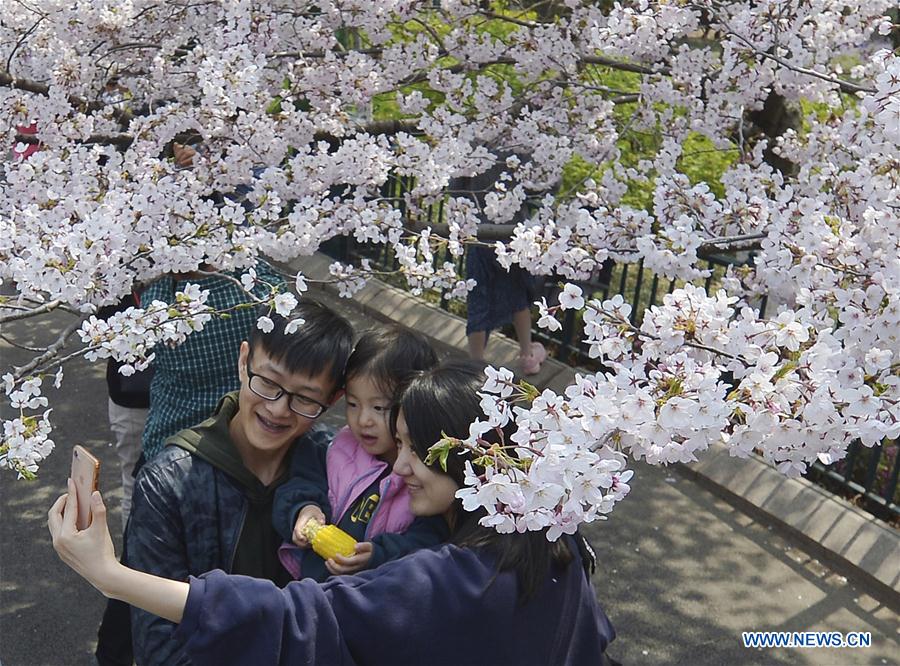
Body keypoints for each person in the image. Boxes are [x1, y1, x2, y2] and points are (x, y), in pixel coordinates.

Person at [49, 360, 618, 666]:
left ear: (472, 457)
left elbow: (286, 618)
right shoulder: (560, 550)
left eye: (417, 451)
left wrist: (112, 577)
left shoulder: (451, 579)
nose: (398, 470)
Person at [123, 300, 354, 665]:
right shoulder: (168, 482)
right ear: (244, 360)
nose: (278, 409)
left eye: (305, 398)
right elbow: (159, 643)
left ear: (333, 398)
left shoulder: (341, 470)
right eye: (268, 383)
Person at [273, 326, 448, 581]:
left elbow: (429, 540)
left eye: (379, 407)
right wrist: (303, 509)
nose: (363, 419)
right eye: (353, 404)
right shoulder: (333, 448)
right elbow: (298, 485)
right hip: (306, 585)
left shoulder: (421, 476)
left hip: (366, 600)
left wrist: (378, 555)